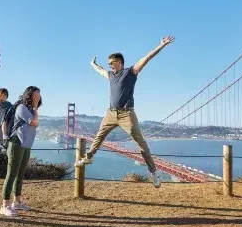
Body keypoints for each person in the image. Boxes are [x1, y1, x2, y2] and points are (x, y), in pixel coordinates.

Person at [75, 36, 175, 188]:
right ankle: (89, 157)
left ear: (120, 62)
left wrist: (161, 45)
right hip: (111, 113)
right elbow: (100, 70)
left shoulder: (130, 72)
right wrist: (92, 64)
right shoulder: (111, 75)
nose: (110, 66)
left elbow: (146, 58)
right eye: (109, 64)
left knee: (140, 143)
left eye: (112, 63)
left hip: (126, 114)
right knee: (99, 137)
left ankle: (154, 173)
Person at [0, 86, 42, 217]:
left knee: (20, 174)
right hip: (16, 143)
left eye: (39, 95)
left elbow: (34, 123)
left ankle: (17, 202)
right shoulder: (22, 108)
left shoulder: (30, 109)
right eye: (35, 95)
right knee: (11, 174)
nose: (38, 97)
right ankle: (4, 206)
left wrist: (35, 107)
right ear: (29, 96)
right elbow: (34, 122)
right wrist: (35, 106)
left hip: (26, 145)